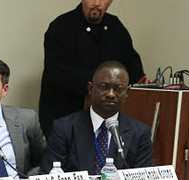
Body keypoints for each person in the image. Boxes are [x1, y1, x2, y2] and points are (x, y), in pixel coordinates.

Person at [39, 0, 145, 137]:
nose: (96, 3)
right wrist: (98, 86)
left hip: (107, 118)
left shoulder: (115, 27)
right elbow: (57, 73)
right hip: (66, 115)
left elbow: (132, 66)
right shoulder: (61, 27)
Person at [42, 61, 152, 174]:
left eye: (118, 89)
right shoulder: (64, 128)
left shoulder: (140, 133)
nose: (111, 94)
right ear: (90, 89)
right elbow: (47, 176)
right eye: (104, 87)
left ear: (127, 92)